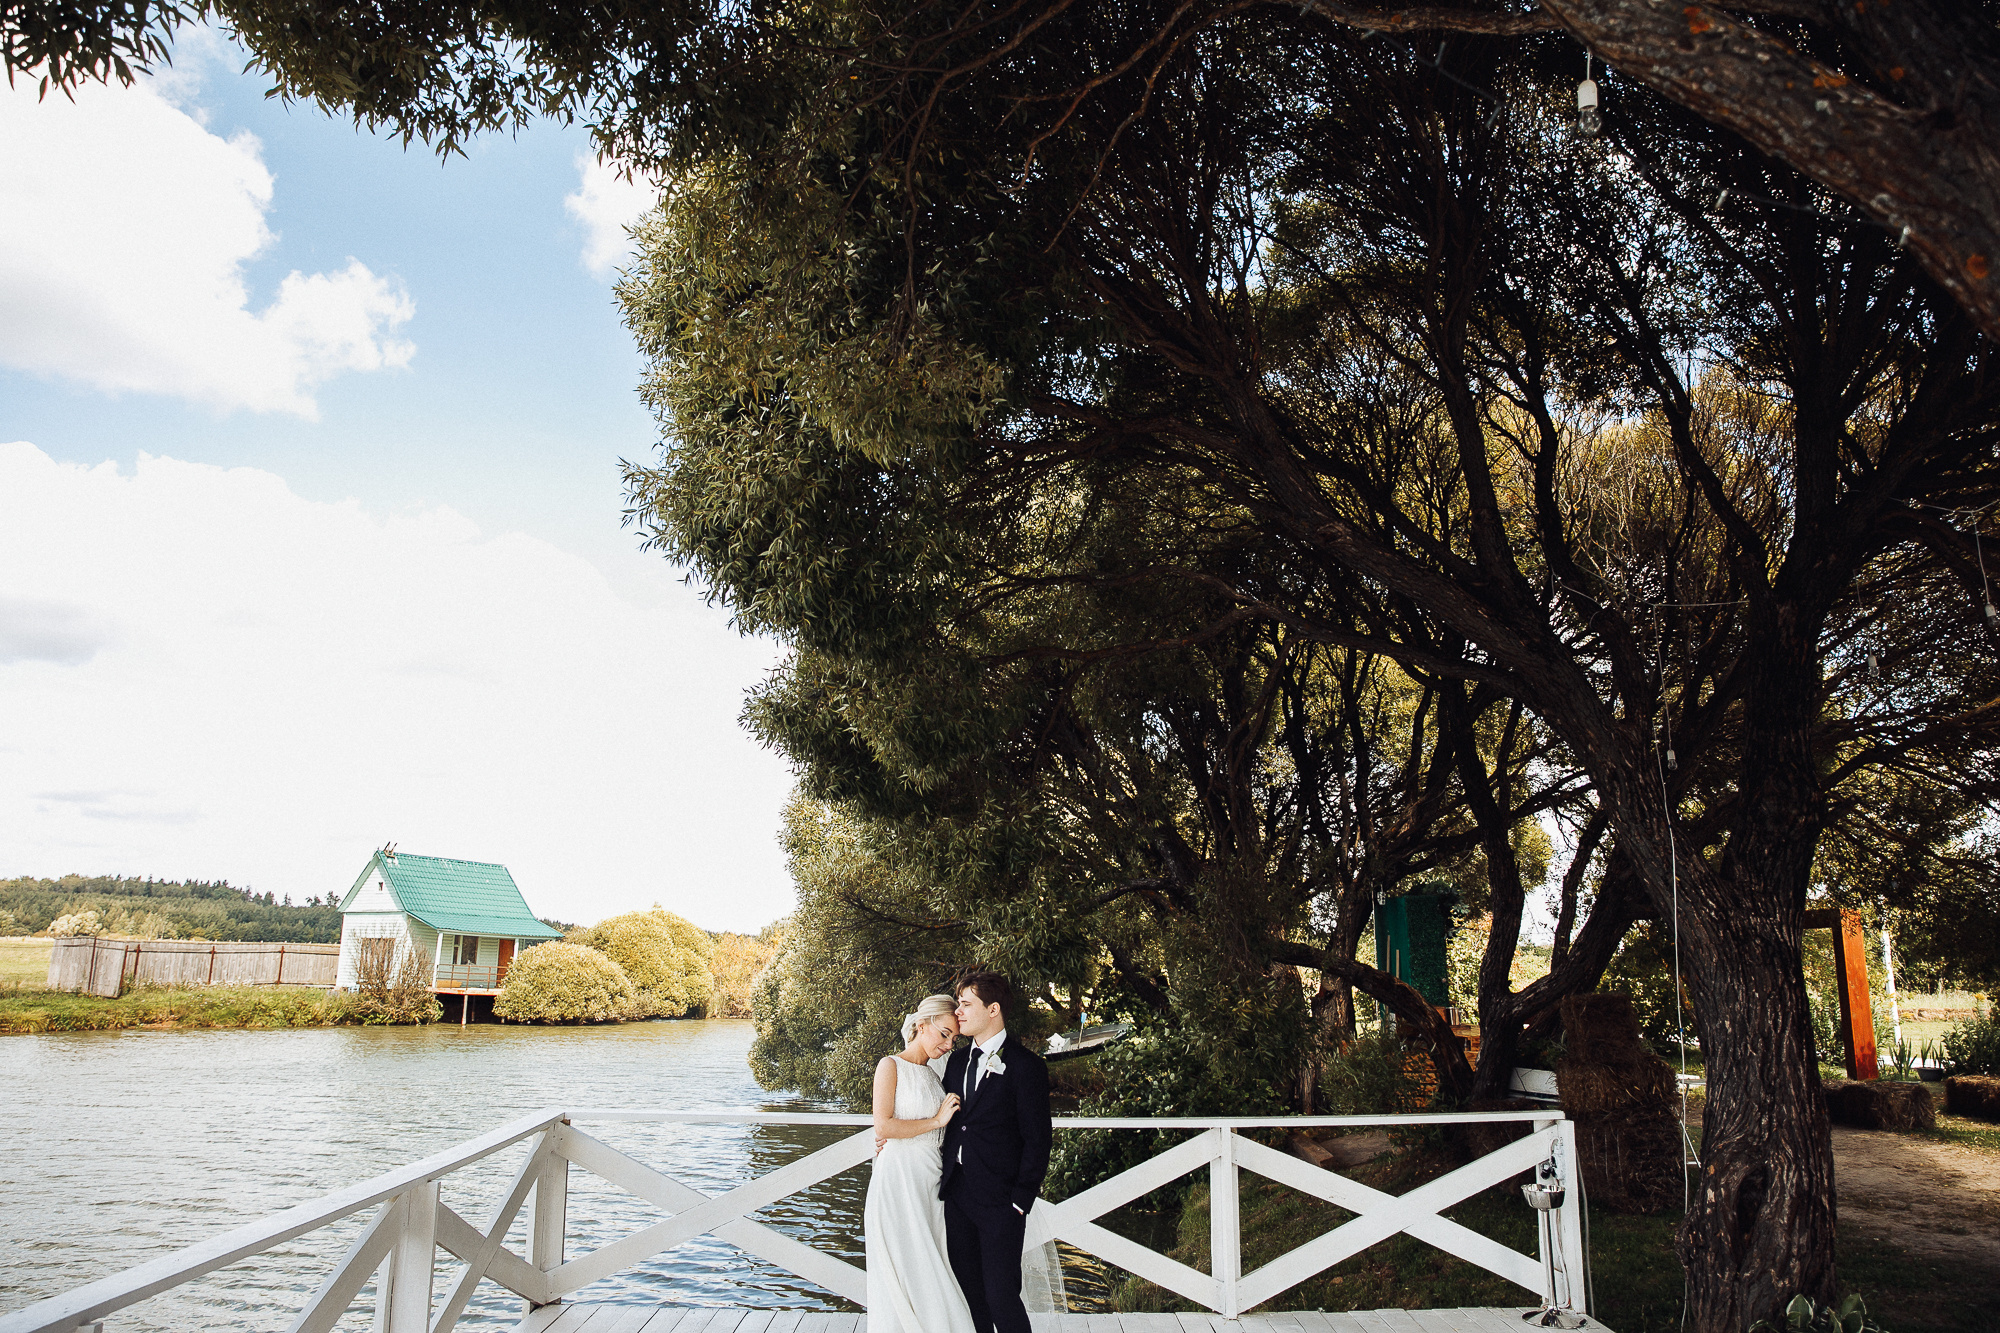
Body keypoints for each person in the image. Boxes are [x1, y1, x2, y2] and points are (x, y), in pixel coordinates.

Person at [938, 971, 1053, 1333]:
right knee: (970, 1294)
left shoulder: (1026, 1066)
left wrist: (1020, 1200)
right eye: (958, 1004)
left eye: (966, 1004)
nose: (958, 1012)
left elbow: (1038, 1139)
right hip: (957, 1196)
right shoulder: (955, 1063)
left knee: (1002, 1296)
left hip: (1002, 1202)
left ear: (994, 1009)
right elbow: (947, 1121)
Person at [865, 994, 976, 1333]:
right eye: (943, 1034)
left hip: (930, 1183)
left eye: (954, 1038)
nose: (948, 1044)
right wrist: (936, 1122)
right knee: (905, 1271)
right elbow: (883, 1126)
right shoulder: (890, 1066)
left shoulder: (934, 1075)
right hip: (898, 1182)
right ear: (920, 1025)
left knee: (931, 1267)